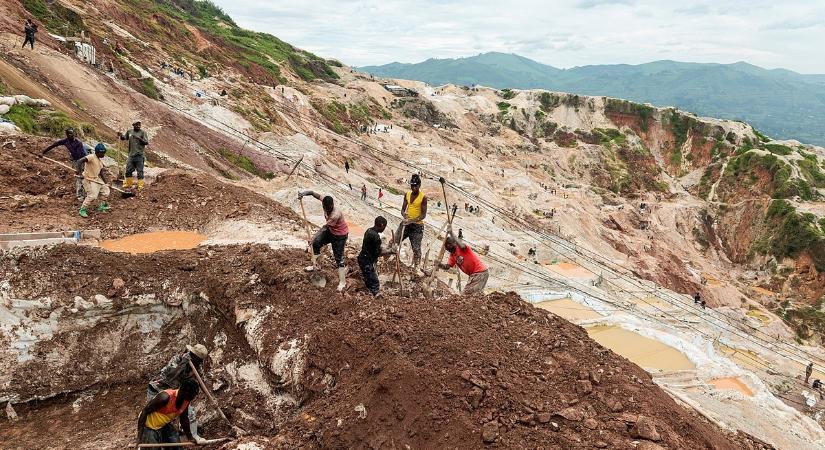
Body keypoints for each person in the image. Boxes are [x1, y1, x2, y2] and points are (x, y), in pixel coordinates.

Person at [147, 344, 208, 442]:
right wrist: (183, 364)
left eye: (200, 360)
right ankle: (148, 438)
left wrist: (209, 396)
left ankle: (191, 435)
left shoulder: (197, 366)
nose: (199, 362)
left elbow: (201, 382)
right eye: (197, 358)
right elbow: (170, 376)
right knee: (155, 415)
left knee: (189, 412)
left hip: (174, 392)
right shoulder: (178, 359)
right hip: (158, 388)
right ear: (192, 354)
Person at [298, 190, 350, 291]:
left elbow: (324, 228)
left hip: (340, 235)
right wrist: (303, 194)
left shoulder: (335, 215)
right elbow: (313, 193)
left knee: (339, 258)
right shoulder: (325, 201)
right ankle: (315, 265)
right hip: (331, 231)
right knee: (316, 244)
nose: (327, 209)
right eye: (326, 207)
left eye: (329, 208)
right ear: (323, 205)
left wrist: (312, 238)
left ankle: (342, 282)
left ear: (332, 205)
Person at [137, 379, 204, 446]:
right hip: (149, 426)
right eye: (193, 395)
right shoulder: (165, 398)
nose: (194, 397)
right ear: (185, 393)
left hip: (163, 425)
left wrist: (190, 437)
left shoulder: (186, 400)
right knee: (153, 447)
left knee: (175, 446)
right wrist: (139, 437)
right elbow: (144, 412)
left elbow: (184, 419)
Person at [438, 228, 489, 295]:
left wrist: (451, 233)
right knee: (475, 295)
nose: (448, 247)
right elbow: (447, 267)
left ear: (454, 243)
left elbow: (461, 245)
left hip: (479, 273)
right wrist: (439, 264)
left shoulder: (462, 248)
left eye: (450, 244)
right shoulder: (452, 255)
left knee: (466, 295)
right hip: (476, 274)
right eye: (447, 246)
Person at [41, 128, 88, 201]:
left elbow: (80, 158)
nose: (71, 135)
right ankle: (80, 196)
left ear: (74, 134)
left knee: (82, 176)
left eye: (72, 133)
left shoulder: (78, 143)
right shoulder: (65, 141)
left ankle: (85, 194)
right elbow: (54, 145)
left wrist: (78, 168)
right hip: (75, 160)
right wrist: (43, 152)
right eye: (69, 133)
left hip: (83, 160)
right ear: (66, 135)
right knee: (78, 178)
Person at [395, 174, 428, 268]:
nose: (413, 188)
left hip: (417, 226)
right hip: (406, 223)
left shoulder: (423, 198)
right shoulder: (407, 194)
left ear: (419, 185)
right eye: (412, 185)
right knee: (395, 241)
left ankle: (416, 268)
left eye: (415, 186)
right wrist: (404, 214)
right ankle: (390, 260)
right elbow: (402, 209)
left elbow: (423, 215)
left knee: (416, 249)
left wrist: (412, 221)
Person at [75, 144, 112, 218]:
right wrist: (79, 172)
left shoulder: (99, 161)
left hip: (96, 179)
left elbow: (101, 173)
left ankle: (101, 206)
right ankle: (83, 209)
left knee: (106, 191)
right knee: (92, 196)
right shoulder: (91, 157)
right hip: (88, 179)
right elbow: (79, 161)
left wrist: (106, 183)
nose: (104, 154)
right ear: (98, 152)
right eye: (103, 153)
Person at [358, 216, 391, 296]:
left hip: (362, 258)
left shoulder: (368, 231)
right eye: (384, 227)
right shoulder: (375, 237)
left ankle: (368, 290)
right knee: (375, 282)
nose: (384, 229)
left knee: (368, 277)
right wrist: (390, 251)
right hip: (367, 261)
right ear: (382, 225)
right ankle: (374, 295)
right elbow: (378, 253)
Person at [119, 121, 149, 191]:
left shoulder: (143, 132)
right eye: (137, 125)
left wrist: (139, 138)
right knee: (128, 170)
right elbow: (124, 138)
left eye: (139, 125)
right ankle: (128, 184)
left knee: (140, 171)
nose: (138, 126)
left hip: (139, 155)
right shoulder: (129, 131)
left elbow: (146, 142)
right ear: (133, 125)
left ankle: (140, 186)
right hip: (131, 155)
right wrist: (120, 135)